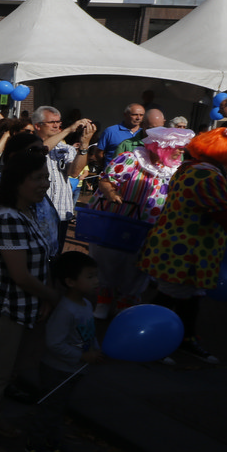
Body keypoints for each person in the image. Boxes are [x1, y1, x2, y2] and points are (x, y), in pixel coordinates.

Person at [137, 127, 227, 365]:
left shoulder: (191, 167)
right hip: (184, 249)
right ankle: (151, 341)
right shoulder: (207, 176)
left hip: (183, 245)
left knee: (190, 297)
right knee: (170, 297)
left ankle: (184, 339)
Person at [0, 149, 61, 452]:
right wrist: (52, 296)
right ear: (17, 182)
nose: (44, 184)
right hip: (6, 308)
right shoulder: (9, 218)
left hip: (24, 307)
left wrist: (43, 296)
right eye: (37, 178)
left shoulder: (26, 213)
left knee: (7, 373)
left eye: (46, 177)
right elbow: (20, 275)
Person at [87, 127, 190, 317]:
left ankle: (126, 305)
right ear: (162, 147)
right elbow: (106, 180)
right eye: (178, 147)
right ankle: (103, 301)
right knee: (108, 263)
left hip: (149, 228)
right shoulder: (131, 159)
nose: (181, 151)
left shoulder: (175, 168)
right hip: (117, 222)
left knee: (136, 267)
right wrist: (111, 193)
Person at [26, 251, 102, 452]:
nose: (96, 281)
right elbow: (54, 343)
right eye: (90, 276)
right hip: (57, 370)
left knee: (59, 408)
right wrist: (82, 355)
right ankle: (35, 443)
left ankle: (53, 442)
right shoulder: (65, 310)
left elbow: (88, 332)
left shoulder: (86, 305)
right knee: (49, 408)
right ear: (70, 282)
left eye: (96, 276)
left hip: (74, 369)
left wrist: (96, 349)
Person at [33, 105, 94, 246]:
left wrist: (84, 146)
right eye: (52, 122)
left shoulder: (66, 148)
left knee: (56, 254)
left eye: (58, 122)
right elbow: (40, 150)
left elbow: (74, 172)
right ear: (38, 125)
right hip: (36, 212)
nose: (56, 126)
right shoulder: (29, 144)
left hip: (60, 212)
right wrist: (68, 129)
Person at [93, 103, 144, 169]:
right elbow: (99, 153)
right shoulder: (110, 131)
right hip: (113, 172)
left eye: (141, 115)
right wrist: (107, 167)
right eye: (134, 115)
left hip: (138, 173)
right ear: (125, 115)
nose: (138, 118)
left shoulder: (145, 132)